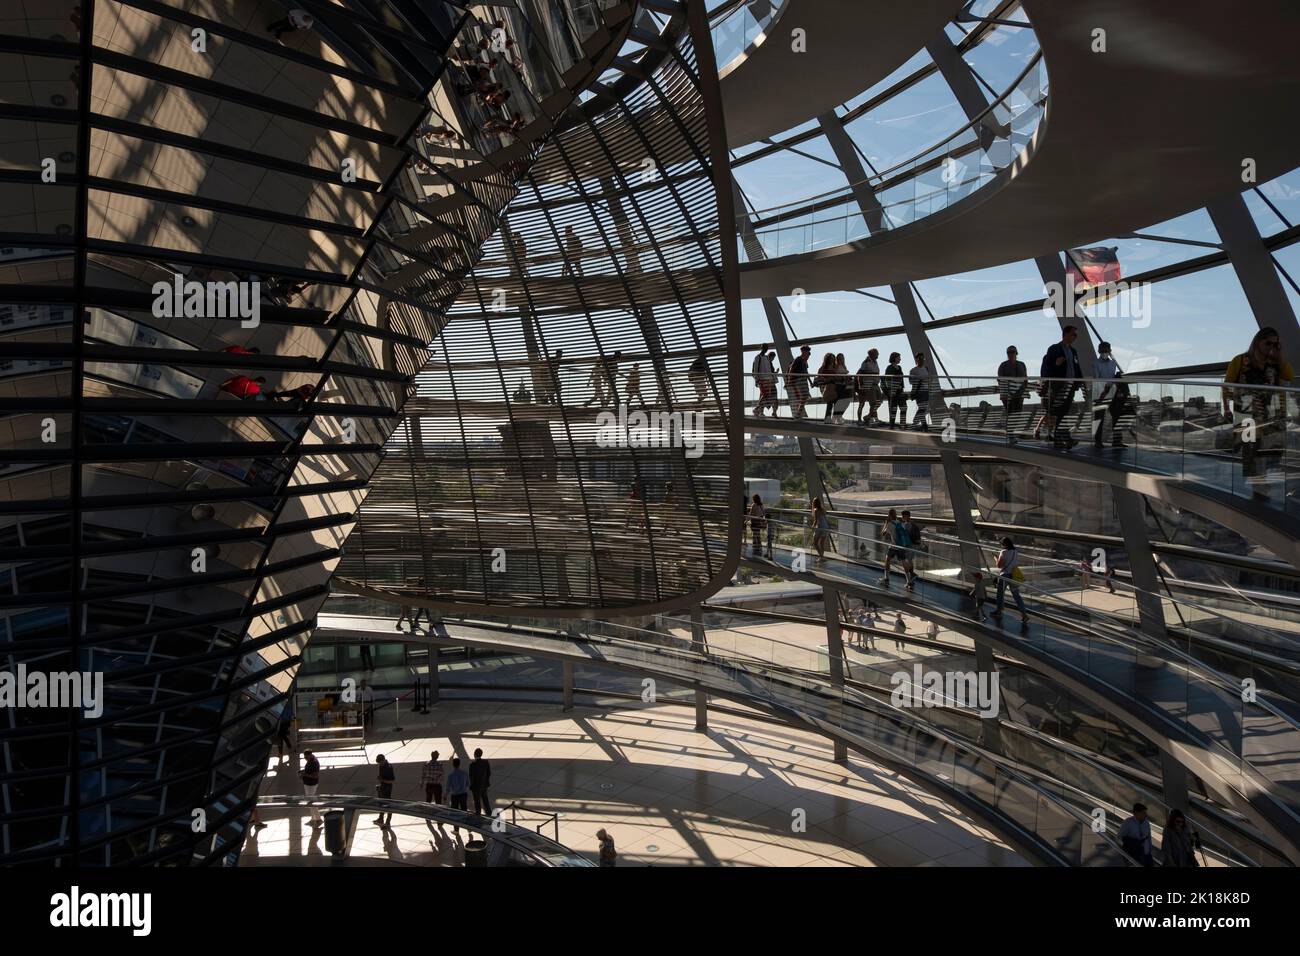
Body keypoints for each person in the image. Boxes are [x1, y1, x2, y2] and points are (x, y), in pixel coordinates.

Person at [1222, 327, 1293, 500]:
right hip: (1247, 418)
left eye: (1276, 344)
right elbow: (1227, 386)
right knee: (1253, 458)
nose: (1272, 347)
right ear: (1257, 342)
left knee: (1270, 457)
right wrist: (1226, 408)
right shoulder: (1240, 361)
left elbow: (1289, 376)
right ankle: (1259, 494)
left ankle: (1262, 491)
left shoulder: (1274, 364)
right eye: (1268, 343)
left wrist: (1280, 354)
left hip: (1272, 418)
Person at [1040, 325, 1083, 449]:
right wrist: (1056, 364)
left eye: (1076, 335)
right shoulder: (1054, 349)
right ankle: (1063, 439)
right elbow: (1047, 368)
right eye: (1073, 334)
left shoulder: (1073, 351)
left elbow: (1077, 368)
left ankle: (1061, 439)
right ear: (1066, 334)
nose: (1075, 337)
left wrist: (1079, 382)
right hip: (1058, 387)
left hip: (1070, 387)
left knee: (1063, 413)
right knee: (1059, 413)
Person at [1091, 341, 1129, 448]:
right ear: (1099, 351)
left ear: (1110, 351)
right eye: (1102, 351)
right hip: (1100, 393)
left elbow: (1113, 377)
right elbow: (1097, 379)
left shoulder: (1113, 363)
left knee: (1116, 416)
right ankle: (1098, 441)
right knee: (1099, 417)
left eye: (1106, 350)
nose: (1104, 352)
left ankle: (1117, 440)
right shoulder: (1095, 363)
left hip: (1112, 391)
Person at [990, 536, 1030, 629]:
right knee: (1016, 596)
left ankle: (999, 611)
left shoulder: (1003, 552)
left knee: (1000, 594)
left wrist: (996, 558)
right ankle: (1024, 614)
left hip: (1004, 576)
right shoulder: (1015, 552)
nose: (1002, 546)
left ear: (1004, 544)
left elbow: (999, 566)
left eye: (1002, 544)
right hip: (1013, 576)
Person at [996, 345, 1028, 444]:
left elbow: (1025, 379)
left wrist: (1024, 391)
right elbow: (1000, 380)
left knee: (1017, 414)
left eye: (1012, 352)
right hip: (1007, 395)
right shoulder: (1003, 365)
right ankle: (1011, 435)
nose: (1010, 354)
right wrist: (1005, 393)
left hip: (1019, 394)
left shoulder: (1022, 364)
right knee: (1010, 414)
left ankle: (1010, 433)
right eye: (1009, 352)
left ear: (1016, 353)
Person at [878, 508, 912, 588]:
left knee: (887, 560)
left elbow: (883, 534)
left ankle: (886, 578)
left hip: (894, 546)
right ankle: (909, 581)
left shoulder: (889, 523)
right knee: (903, 562)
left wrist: (885, 524)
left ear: (889, 515)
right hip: (901, 546)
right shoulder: (898, 521)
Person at [855, 349, 883, 424]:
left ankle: (868, 416)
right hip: (869, 384)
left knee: (879, 401)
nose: (878, 354)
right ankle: (868, 419)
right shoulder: (865, 363)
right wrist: (861, 385)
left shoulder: (875, 362)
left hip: (876, 384)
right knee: (873, 403)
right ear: (872, 354)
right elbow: (860, 374)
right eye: (877, 353)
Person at [908, 352, 932, 431]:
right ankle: (923, 425)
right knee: (922, 408)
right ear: (917, 359)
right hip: (919, 391)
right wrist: (921, 380)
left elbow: (929, 379)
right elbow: (911, 382)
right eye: (920, 358)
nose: (922, 360)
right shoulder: (913, 370)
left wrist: (926, 382)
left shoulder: (926, 368)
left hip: (925, 390)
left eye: (923, 358)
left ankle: (917, 423)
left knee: (924, 408)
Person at [899, 510, 923, 589]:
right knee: (909, 561)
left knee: (907, 562)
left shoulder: (906, 525)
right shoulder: (913, 524)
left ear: (907, 516)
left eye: (903, 516)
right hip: (913, 545)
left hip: (908, 545)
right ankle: (911, 579)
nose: (902, 518)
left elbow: (904, 535)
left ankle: (910, 578)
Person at [787, 345, 812, 418]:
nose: (808, 353)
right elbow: (791, 369)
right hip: (798, 380)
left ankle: (798, 412)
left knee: (804, 397)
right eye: (807, 351)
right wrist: (789, 380)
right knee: (803, 396)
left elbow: (806, 372)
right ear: (803, 351)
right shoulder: (798, 359)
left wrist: (810, 382)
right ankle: (798, 413)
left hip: (803, 381)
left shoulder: (805, 361)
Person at [813, 353, 839, 422]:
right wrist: (827, 380)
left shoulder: (834, 367)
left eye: (833, 358)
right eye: (831, 358)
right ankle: (829, 418)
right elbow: (819, 377)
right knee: (830, 402)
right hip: (826, 387)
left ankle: (830, 418)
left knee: (834, 402)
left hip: (833, 387)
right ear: (827, 359)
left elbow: (836, 377)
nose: (832, 360)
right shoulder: (823, 368)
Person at [752, 346, 777, 416]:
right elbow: (755, 369)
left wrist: (771, 378)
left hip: (768, 379)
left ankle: (758, 410)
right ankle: (757, 409)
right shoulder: (758, 357)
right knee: (765, 395)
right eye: (764, 348)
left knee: (765, 395)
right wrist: (757, 380)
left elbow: (768, 369)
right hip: (762, 379)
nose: (765, 349)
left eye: (766, 348)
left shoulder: (766, 358)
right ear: (762, 348)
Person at [883, 352, 906, 428]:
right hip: (893, 391)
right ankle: (892, 425)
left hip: (899, 390)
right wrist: (891, 390)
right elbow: (888, 379)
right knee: (893, 408)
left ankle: (902, 424)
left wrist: (901, 387)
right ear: (894, 358)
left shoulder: (899, 367)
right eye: (899, 357)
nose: (900, 359)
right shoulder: (889, 368)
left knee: (904, 407)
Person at [469, 748, 492, 816]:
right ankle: (489, 813)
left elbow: (471, 776)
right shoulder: (485, 762)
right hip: (484, 785)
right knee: (485, 800)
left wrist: (471, 785)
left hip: (476, 786)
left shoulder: (472, 765)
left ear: (474, 755)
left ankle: (478, 813)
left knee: (477, 801)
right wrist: (486, 781)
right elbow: (489, 773)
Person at [301, 749, 321, 826]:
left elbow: (315, 776)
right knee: (310, 802)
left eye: (305, 757)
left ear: (309, 755)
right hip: (308, 784)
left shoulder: (314, 763)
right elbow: (309, 771)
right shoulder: (311, 760)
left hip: (311, 785)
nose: (305, 758)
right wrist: (303, 772)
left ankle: (317, 819)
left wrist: (304, 775)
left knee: (311, 802)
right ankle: (313, 818)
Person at [374, 754, 395, 828]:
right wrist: (380, 781)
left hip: (387, 789)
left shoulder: (389, 768)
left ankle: (388, 822)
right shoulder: (381, 766)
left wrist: (382, 780)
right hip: (382, 787)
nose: (379, 764)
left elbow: (392, 781)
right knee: (381, 804)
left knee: (388, 805)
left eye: (380, 762)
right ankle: (381, 819)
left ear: (383, 760)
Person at [832, 353, 853, 421]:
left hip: (845, 385)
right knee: (840, 401)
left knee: (846, 401)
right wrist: (842, 377)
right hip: (839, 385)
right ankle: (836, 416)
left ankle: (839, 415)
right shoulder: (836, 366)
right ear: (837, 359)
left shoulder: (844, 366)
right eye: (840, 358)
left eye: (842, 358)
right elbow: (835, 375)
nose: (841, 359)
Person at [811, 496, 830, 562]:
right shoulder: (822, 509)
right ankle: (822, 557)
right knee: (822, 543)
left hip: (820, 527)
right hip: (825, 527)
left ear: (814, 503)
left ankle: (821, 556)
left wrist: (812, 526)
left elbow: (816, 520)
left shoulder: (816, 510)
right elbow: (824, 518)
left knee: (815, 542)